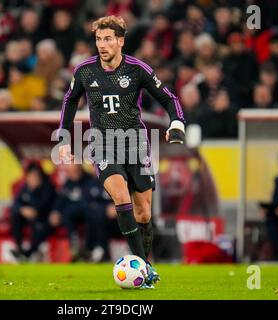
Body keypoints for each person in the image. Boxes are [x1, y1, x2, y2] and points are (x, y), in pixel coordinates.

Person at [56, 16, 185, 288]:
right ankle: (143, 268)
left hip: (136, 143)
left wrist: (176, 123)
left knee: (144, 215)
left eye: (107, 39)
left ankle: (143, 261)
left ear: (120, 41)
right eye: (98, 39)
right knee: (120, 197)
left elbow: (169, 98)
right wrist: (65, 137)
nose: (102, 45)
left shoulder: (137, 69)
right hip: (103, 144)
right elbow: (69, 101)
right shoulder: (85, 71)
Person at [49, 164, 114, 262]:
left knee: (93, 213)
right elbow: (61, 199)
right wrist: (55, 211)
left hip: (104, 216)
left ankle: (96, 250)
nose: (74, 174)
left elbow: (90, 201)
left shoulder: (91, 180)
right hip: (88, 214)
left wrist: (117, 207)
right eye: (71, 171)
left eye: (76, 171)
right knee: (68, 213)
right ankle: (80, 246)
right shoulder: (70, 183)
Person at [10, 163, 57, 261]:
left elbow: (42, 207)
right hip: (30, 218)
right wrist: (22, 210)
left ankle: (29, 253)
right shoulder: (25, 187)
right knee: (15, 214)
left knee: (41, 227)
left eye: (35, 176)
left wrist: (33, 192)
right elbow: (15, 204)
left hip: (44, 218)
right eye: (31, 176)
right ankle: (19, 248)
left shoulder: (47, 188)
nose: (33, 178)